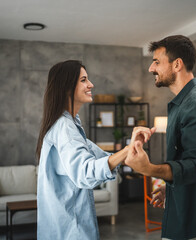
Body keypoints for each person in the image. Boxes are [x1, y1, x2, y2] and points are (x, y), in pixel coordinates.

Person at [125, 35, 196, 240]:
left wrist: (148, 169)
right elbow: (189, 160)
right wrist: (172, 189)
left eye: (157, 62)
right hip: (189, 211)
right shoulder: (186, 102)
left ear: (177, 64)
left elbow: (195, 166)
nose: (151, 68)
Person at [36, 60, 153, 240]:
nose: (91, 84)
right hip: (71, 231)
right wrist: (128, 149)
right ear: (67, 87)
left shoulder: (71, 125)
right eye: (83, 80)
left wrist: (129, 150)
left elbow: (102, 159)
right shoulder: (65, 128)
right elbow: (86, 173)